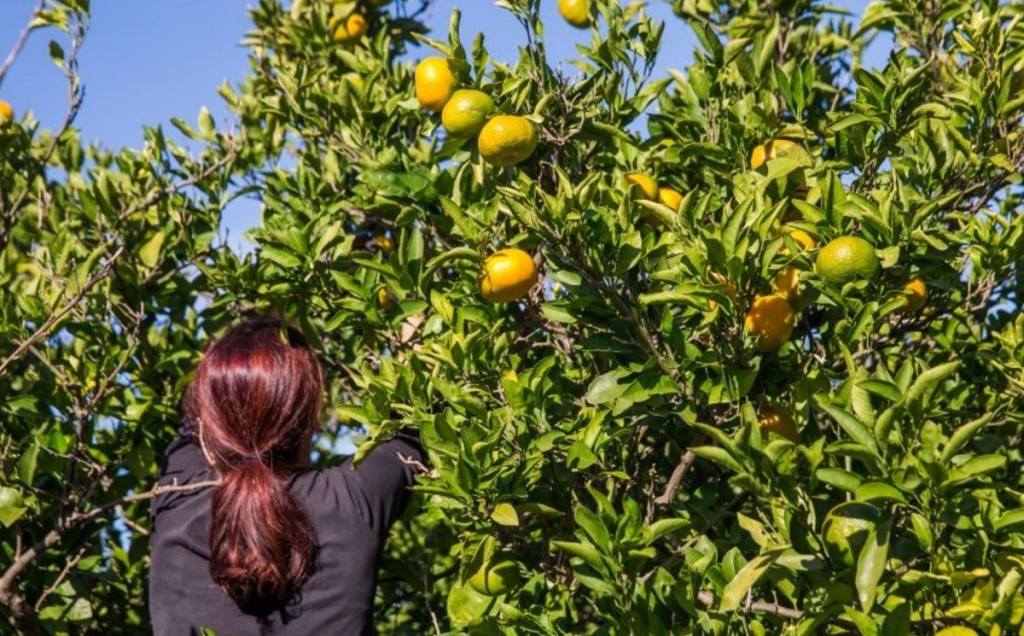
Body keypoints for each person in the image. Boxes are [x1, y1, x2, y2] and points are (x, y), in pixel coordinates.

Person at [149, 317, 426, 635]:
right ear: (313, 416)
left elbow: (194, 420)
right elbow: (415, 423)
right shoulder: (353, 500)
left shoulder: (175, 499)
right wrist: (412, 339)